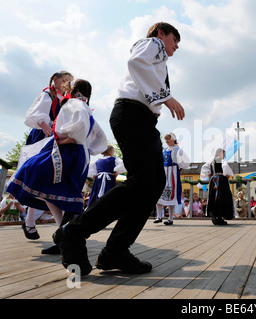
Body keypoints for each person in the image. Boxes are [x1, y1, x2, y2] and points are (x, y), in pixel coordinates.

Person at [52, 22, 185, 276]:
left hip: (139, 118)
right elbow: (135, 62)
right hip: (133, 115)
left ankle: (116, 249)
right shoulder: (153, 44)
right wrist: (167, 98)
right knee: (142, 183)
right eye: (174, 39)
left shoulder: (158, 55)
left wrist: (162, 98)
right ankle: (76, 230)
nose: (176, 46)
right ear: (161, 34)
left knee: (153, 184)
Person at [7, 79, 107, 255]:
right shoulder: (84, 106)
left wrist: (66, 139)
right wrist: (84, 145)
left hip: (68, 150)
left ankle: (62, 233)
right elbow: (100, 140)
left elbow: (81, 129)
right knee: (58, 191)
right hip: (80, 153)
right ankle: (64, 236)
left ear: (74, 89)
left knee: (33, 171)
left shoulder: (74, 103)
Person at [19, 71, 74, 240]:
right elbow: (35, 114)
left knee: (46, 180)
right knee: (40, 178)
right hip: (43, 136)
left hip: (55, 138)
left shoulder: (65, 98)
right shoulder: (48, 94)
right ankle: (57, 227)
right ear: (55, 79)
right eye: (64, 80)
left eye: (68, 82)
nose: (66, 83)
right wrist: (43, 124)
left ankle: (31, 222)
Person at [154, 133, 190, 225]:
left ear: (173, 139)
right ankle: (159, 216)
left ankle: (170, 218)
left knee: (171, 196)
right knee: (158, 195)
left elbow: (186, 162)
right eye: (166, 140)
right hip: (163, 173)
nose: (167, 141)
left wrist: (179, 168)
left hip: (172, 173)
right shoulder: (164, 150)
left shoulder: (177, 150)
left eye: (168, 139)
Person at [200, 148, 234, 225]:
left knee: (214, 198)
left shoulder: (212, 161)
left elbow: (204, 168)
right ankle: (220, 217)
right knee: (222, 198)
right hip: (221, 180)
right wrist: (227, 176)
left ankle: (215, 216)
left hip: (214, 180)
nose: (225, 156)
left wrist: (210, 177)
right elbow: (226, 170)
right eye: (224, 154)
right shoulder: (222, 161)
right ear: (220, 153)